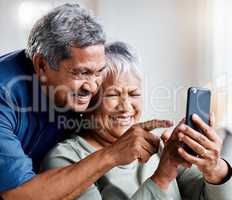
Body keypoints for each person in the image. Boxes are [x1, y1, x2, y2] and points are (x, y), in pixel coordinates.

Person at [0, 4, 171, 200]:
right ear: (41, 65)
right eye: (82, 73)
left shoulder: (74, 93)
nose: (92, 87)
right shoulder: (4, 93)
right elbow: (18, 195)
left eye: (99, 72)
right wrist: (112, 154)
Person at [42, 42, 232, 199]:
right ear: (88, 100)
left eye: (134, 94)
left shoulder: (160, 146)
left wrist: (215, 170)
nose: (126, 106)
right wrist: (162, 177)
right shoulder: (65, 158)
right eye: (112, 95)